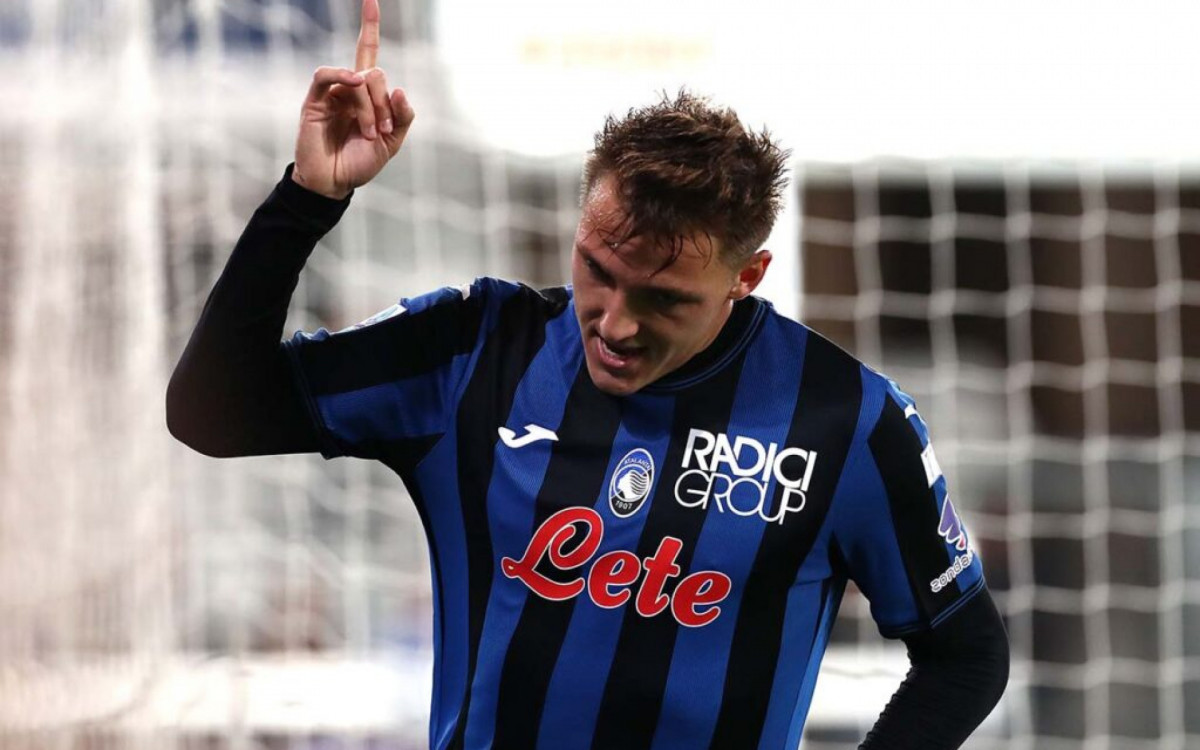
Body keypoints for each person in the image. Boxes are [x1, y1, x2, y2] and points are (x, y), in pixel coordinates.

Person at [167, 1, 1009, 748]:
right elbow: (211, 411)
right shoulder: (475, 351)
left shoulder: (847, 420)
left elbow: (965, 658)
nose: (615, 321)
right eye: (597, 269)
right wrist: (308, 199)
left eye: (663, 299)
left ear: (745, 277)